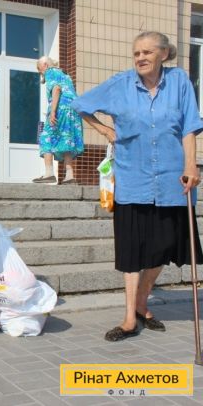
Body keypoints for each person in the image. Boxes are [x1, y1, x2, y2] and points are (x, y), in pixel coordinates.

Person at [72, 31, 203, 341]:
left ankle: (143, 301)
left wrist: (191, 165)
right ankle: (130, 318)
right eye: (136, 53)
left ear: (163, 54)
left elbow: (189, 127)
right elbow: (79, 104)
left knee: (164, 246)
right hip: (133, 179)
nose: (140, 58)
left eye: (147, 52)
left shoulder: (179, 82)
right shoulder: (121, 84)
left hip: (172, 180)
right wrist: (104, 130)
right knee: (132, 252)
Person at [33, 56, 84, 185]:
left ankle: (49, 173)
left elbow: (56, 89)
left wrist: (53, 111)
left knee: (45, 137)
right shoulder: (65, 74)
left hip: (60, 109)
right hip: (74, 110)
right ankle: (69, 176)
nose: (40, 73)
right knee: (66, 139)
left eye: (39, 69)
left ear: (45, 65)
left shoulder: (50, 71)